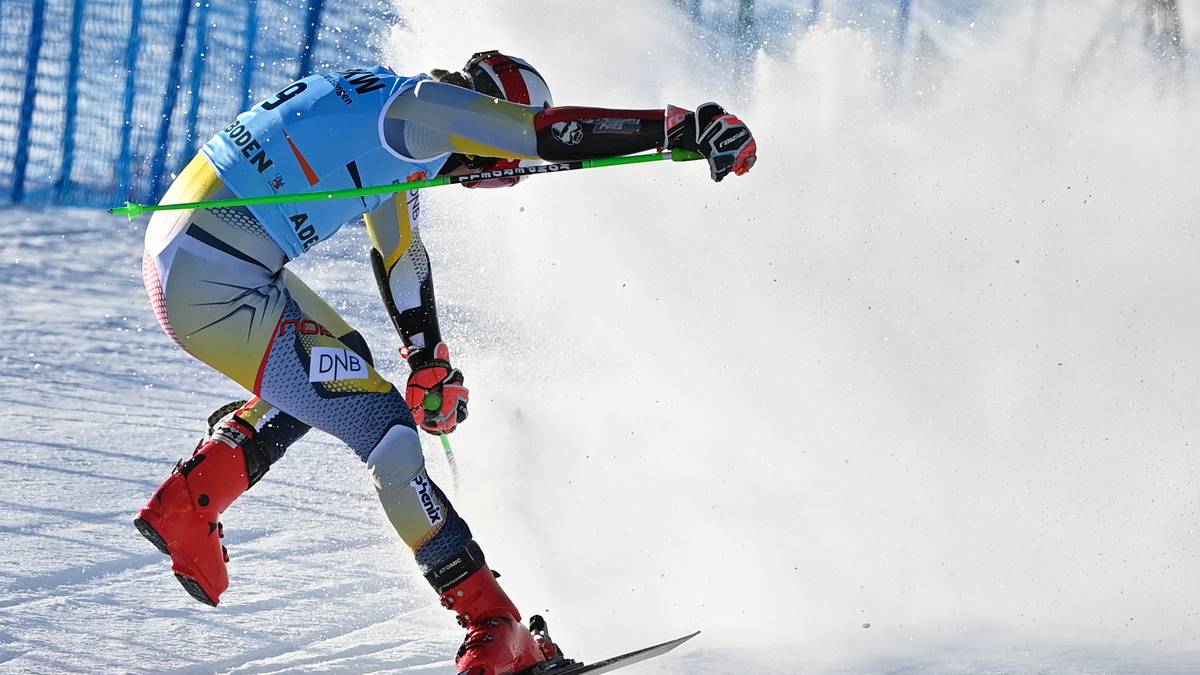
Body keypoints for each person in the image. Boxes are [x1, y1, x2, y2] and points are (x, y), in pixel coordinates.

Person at [135, 51, 755, 675]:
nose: (487, 176)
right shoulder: (429, 110)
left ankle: (191, 498)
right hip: (214, 282)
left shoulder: (401, 121)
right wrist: (683, 126)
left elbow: (400, 251)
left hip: (192, 254)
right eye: (498, 162)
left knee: (340, 360)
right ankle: (490, 623)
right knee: (385, 432)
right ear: (488, 119)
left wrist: (426, 356)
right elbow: (544, 135)